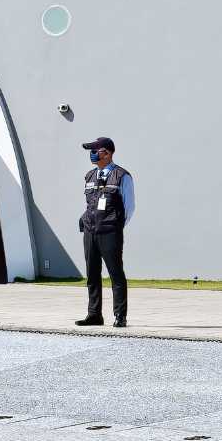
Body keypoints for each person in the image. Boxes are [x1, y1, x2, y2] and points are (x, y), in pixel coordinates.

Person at [75, 136, 134, 328]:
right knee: (92, 274)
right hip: (90, 232)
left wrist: (115, 226)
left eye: (95, 150)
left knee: (116, 274)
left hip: (110, 232)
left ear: (107, 153)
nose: (92, 154)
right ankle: (94, 315)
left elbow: (129, 207)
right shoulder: (89, 176)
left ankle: (120, 316)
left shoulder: (122, 176)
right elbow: (90, 204)